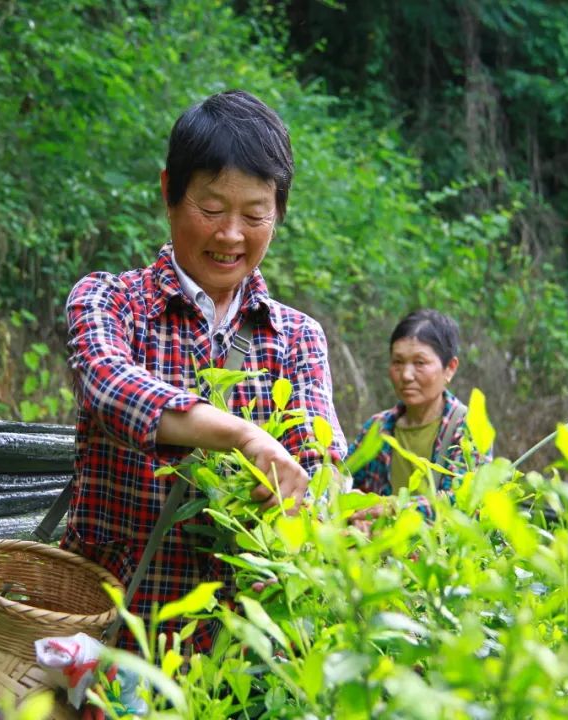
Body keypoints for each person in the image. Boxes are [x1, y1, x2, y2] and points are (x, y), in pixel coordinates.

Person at [60, 89, 346, 653]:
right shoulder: (110, 302)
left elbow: (319, 461)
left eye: (255, 214)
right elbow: (108, 384)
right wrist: (241, 435)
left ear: (279, 212)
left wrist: (315, 499)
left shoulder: (296, 339)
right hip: (106, 642)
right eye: (211, 209)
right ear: (170, 191)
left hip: (235, 664)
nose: (231, 234)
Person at [346, 309, 490, 520]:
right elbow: (343, 480)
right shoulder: (377, 429)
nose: (406, 375)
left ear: (450, 368)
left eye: (420, 363)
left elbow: (465, 501)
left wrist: (393, 508)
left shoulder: (467, 428)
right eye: (398, 362)